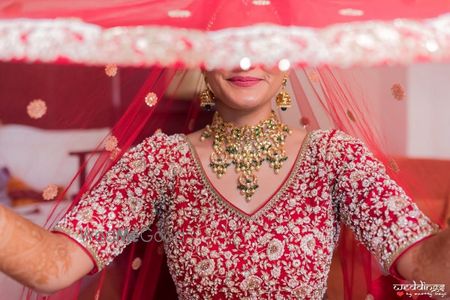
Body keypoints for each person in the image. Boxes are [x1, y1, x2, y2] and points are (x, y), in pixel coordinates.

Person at [0, 66, 449, 299]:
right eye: (225, 41)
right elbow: (53, 267)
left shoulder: (333, 159)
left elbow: (428, 272)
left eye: (259, 41)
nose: (243, 59)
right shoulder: (160, 164)